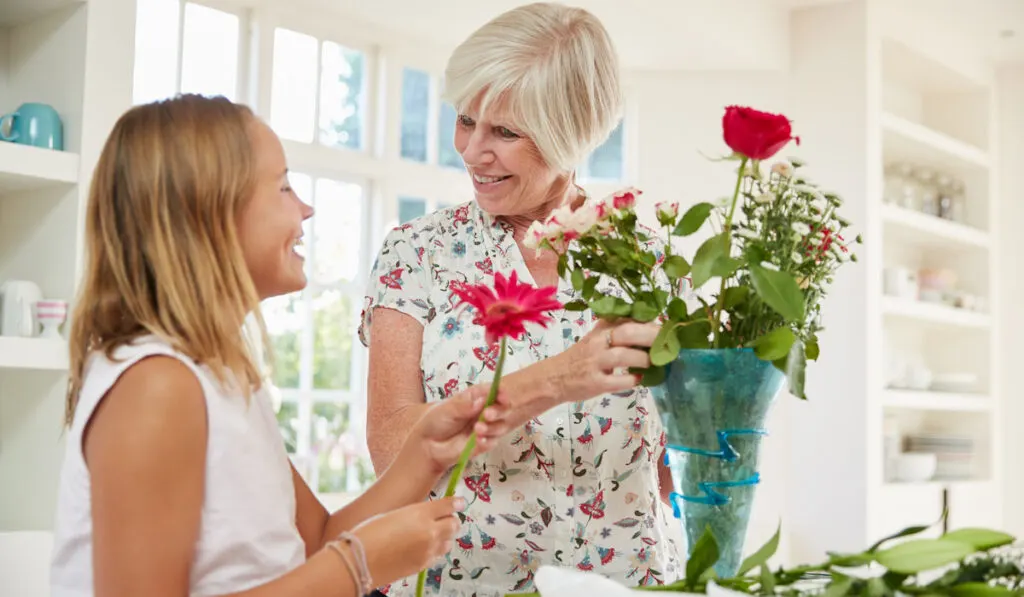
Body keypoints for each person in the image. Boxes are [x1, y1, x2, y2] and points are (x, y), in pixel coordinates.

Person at [48, 93, 516, 597]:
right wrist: (358, 566)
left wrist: (424, 455)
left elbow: (313, 541)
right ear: (209, 212)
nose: (306, 208)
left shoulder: (222, 380)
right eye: (284, 187)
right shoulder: (156, 386)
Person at [359, 4, 682, 596]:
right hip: (457, 585)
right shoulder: (418, 252)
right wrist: (555, 380)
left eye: (504, 132)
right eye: (465, 120)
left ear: (570, 135)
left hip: (628, 583)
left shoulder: (651, 258)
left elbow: (672, 452)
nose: (471, 150)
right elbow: (389, 449)